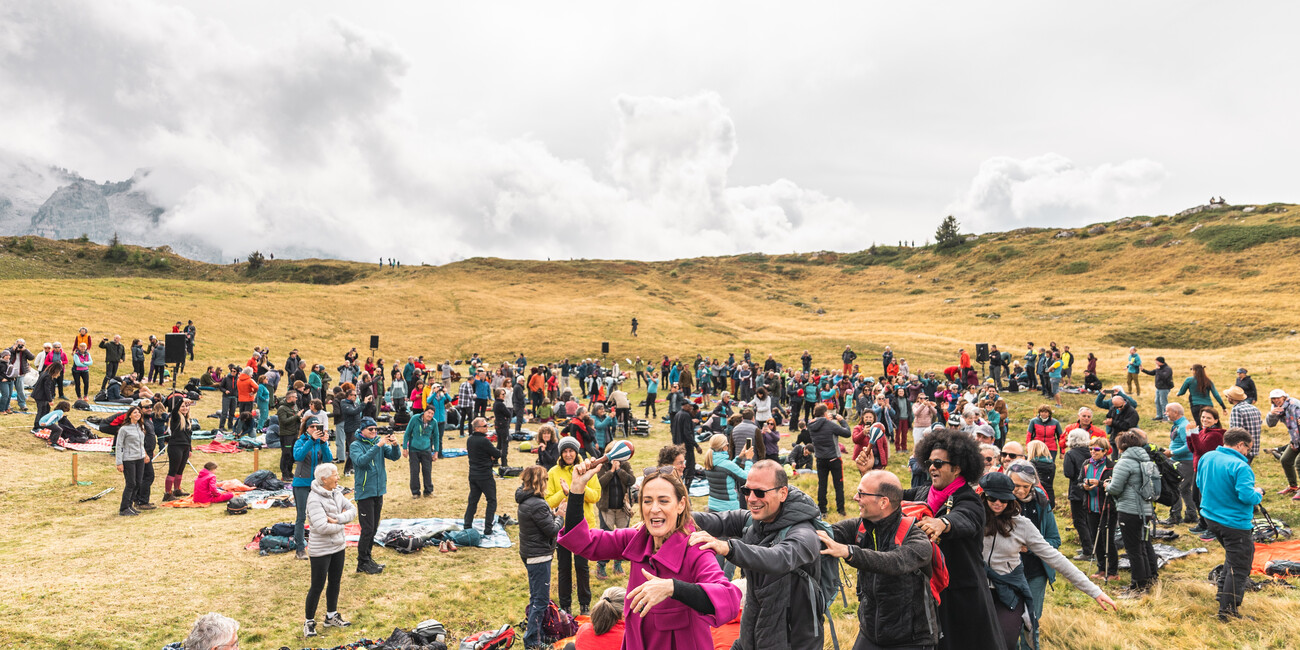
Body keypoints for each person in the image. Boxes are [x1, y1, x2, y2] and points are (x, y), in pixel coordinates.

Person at [558, 460, 742, 650]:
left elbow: (728, 600)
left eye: (663, 500)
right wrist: (577, 488)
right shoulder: (637, 540)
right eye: (647, 501)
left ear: (680, 505)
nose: (654, 508)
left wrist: (673, 588)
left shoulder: (695, 549)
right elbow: (581, 541)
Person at [690, 460, 825, 649]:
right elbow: (715, 520)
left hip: (791, 642)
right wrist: (672, 516)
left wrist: (729, 548)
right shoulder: (754, 521)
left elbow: (778, 558)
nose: (751, 498)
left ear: (783, 493)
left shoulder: (804, 534)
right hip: (751, 636)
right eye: (747, 491)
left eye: (760, 492)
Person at [979, 472, 1116, 648]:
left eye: (1003, 499)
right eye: (993, 498)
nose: (998, 503)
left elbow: (1056, 558)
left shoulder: (1022, 525)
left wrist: (1094, 591)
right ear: (984, 496)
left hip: (1009, 591)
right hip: (978, 588)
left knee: (1004, 640)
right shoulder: (975, 519)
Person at [893, 427, 1002, 650]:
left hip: (962, 596)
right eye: (930, 462)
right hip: (929, 591)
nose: (932, 467)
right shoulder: (923, 493)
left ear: (957, 468)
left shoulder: (969, 500)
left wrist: (942, 523)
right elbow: (890, 497)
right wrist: (869, 474)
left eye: (939, 463)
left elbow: (965, 519)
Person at [820, 469, 938, 649]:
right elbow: (825, 533)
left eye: (861, 493)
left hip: (911, 640)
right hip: (869, 633)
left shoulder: (917, 539)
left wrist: (849, 552)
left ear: (883, 502)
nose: (854, 497)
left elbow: (895, 562)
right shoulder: (861, 526)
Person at [1197, 427, 1263, 620]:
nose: (1248, 453)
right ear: (1240, 444)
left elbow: (1200, 484)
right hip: (1235, 523)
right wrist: (1258, 493)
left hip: (1211, 517)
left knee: (1233, 559)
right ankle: (1228, 612)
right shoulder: (1241, 467)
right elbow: (1246, 496)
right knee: (1240, 567)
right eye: (1248, 449)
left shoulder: (1207, 457)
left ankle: (1223, 595)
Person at [1004, 460, 1061, 650]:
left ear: (1033, 485)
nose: (1019, 491)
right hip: (1004, 573)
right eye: (1014, 486)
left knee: (1031, 623)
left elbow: (1054, 539)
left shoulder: (1041, 502)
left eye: (1024, 487)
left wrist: (1031, 547)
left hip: (1035, 573)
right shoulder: (998, 502)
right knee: (1007, 624)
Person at [1105, 430, 1161, 596]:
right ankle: (1150, 578)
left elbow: (1115, 488)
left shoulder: (1125, 462)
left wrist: (1106, 486)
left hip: (1129, 510)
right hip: (1145, 509)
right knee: (1143, 544)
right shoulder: (1144, 458)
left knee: (1133, 548)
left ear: (1121, 446)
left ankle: (1138, 585)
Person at [547, 436, 599, 614]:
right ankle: (565, 606)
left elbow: (595, 496)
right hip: (561, 526)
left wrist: (578, 488)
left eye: (571, 451)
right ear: (561, 453)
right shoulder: (553, 472)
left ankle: (585, 605)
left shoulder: (586, 470)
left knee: (582, 566)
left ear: (576, 452)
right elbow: (549, 501)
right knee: (564, 567)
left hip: (582, 526)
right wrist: (564, 493)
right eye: (565, 451)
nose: (568, 454)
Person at [304, 462, 356, 637]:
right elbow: (320, 527)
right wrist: (342, 525)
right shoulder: (314, 499)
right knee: (317, 586)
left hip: (338, 547)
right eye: (335, 475)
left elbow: (352, 510)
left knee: (335, 582)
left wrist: (338, 519)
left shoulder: (336, 492)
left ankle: (331, 616)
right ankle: (309, 622)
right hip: (321, 550)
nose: (338, 477)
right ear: (323, 479)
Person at [517, 464, 562, 649]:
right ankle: (532, 641)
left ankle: (538, 634)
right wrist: (560, 516)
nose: (546, 483)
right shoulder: (537, 504)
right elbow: (552, 530)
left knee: (536, 597)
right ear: (538, 482)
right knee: (541, 600)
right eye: (545, 480)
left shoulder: (526, 500)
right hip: (539, 556)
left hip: (531, 553)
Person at [350, 417, 400, 574]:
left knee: (374, 528)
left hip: (378, 491)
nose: (374, 432)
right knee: (367, 529)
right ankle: (362, 562)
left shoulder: (378, 442)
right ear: (362, 430)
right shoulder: (355, 445)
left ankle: (368, 558)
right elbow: (361, 461)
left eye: (375, 429)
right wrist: (378, 445)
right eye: (370, 429)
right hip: (365, 492)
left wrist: (395, 445)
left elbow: (394, 456)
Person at [1078, 437, 1119, 581]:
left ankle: (1113, 571)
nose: (1092, 452)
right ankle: (1101, 568)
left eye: (1096, 449)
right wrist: (1084, 486)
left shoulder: (1112, 466)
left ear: (1105, 451)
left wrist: (1100, 483)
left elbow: (1115, 486)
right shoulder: (1086, 464)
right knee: (1096, 538)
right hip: (1090, 507)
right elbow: (1079, 482)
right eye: (1090, 449)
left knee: (1108, 539)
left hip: (1107, 509)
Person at [293, 420, 333, 559]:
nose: (315, 429)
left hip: (318, 485)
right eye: (312, 427)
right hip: (301, 484)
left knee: (321, 515)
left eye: (317, 427)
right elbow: (298, 457)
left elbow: (329, 460)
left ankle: (322, 545)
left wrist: (323, 443)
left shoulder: (320, 442)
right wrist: (311, 440)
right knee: (302, 516)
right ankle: (299, 549)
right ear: (306, 428)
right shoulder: (301, 441)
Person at [596, 443, 635, 580]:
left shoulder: (625, 465)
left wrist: (619, 471)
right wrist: (611, 471)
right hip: (606, 507)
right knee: (606, 538)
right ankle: (601, 565)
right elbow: (599, 483)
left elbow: (631, 480)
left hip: (622, 508)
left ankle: (618, 564)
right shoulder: (602, 466)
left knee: (623, 538)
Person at [1187, 407, 1225, 538]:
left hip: (1209, 471)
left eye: (1208, 418)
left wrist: (1193, 433)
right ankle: (1203, 523)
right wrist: (1189, 435)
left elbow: (1201, 449)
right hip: (1198, 468)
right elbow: (1193, 449)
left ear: (1216, 420)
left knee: (1207, 500)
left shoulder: (1215, 435)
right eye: (1203, 417)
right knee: (1195, 497)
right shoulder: (1203, 431)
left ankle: (1213, 528)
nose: (1204, 420)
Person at [807, 403, 851, 516]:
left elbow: (821, 423)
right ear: (825, 413)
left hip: (820, 459)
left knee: (822, 485)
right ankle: (841, 509)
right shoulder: (830, 424)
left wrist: (827, 420)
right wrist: (842, 421)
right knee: (838, 485)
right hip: (834, 458)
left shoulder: (810, 424)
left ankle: (822, 510)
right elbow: (847, 433)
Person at [466, 416, 503, 541]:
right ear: (477, 428)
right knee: (491, 501)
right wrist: (491, 457)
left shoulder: (469, 440)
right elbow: (497, 453)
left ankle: (467, 526)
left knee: (473, 501)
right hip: (485, 476)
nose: (487, 427)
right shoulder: (484, 441)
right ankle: (488, 528)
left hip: (473, 475)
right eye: (485, 426)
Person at [1159, 403, 1196, 526]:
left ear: (1175, 413)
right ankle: (1191, 515)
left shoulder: (1183, 426)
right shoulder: (1179, 425)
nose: (1165, 413)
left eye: (1167, 411)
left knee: (1175, 487)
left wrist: (1172, 452)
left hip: (1185, 461)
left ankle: (1175, 516)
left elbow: (1189, 446)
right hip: (1181, 460)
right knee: (1184, 489)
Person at [699, 434, 753, 513]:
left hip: (712, 506)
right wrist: (748, 460)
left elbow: (727, 470)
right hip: (728, 509)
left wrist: (740, 457)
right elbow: (746, 478)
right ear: (724, 447)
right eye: (727, 445)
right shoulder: (727, 465)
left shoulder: (710, 461)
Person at [115, 405, 149, 516]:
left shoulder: (141, 427)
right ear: (129, 415)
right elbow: (119, 445)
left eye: (139, 412)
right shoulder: (124, 429)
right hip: (128, 459)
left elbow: (141, 443)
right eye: (135, 412)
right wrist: (119, 462)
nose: (137, 414)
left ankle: (130, 506)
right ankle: (124, 508)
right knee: (131, 483)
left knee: (138, 482)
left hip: (139, 458)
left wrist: (144, 454)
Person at [1266, 389, 1300, 499]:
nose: (1276, 400)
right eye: (1274, 399)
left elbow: (1296, 426)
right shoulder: (1277, 408)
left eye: (1278, 398)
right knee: (1285, 460)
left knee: (1298, 463)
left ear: (1284, 397)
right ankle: (1293, 486)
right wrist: (1271, 414)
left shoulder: (1295, 405)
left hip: (1297, 437)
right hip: (1296, 438)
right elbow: (1271, 424)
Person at [162, 400, 194, 501]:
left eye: (186, 406)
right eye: (182, 407)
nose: (184, 408)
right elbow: (174, 410)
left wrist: (190, 449)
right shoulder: (175, 417)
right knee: (173, 470)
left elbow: (189, 436)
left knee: (180, 469)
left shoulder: (187, 420)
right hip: (175, 446)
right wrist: (182, 400)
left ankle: (177, 489)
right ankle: (168, 493)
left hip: (185, 447)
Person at [403, 408, 437, 498]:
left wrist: (436, 452)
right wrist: (404, 448)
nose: (430, 415)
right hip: (414, 449)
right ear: (424, 412)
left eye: (432, 414)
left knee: (427, 471)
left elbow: (436, 437)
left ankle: (428, 491)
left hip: (426, 449)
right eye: (428, 412)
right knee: (414, 471)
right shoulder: (415, 418)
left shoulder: (434, 422)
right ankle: (415, 492)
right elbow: (407, 433)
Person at [1224, 385, 1261, 462]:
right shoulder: (1254, 408)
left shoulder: (1237, 409)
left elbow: (1236, 432)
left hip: (1241, 449)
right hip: (1254, 447)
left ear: (1230, 398)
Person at [672, 401, 703, 486]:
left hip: (678, 445)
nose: (691, 409)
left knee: (679, 467)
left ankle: (680, 486)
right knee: (689, 469)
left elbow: (674, 430)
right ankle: (686, 488)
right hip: (686, 446)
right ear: (685, 406)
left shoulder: (678, 414)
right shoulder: (686, 416)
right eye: (690, 407)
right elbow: (687, 433)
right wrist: (696, 445)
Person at [1140, 356, 1174, 422]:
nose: (1155, 362)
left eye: (1157, 361)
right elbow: (1152, 373)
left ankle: (1166, 417)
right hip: (1158, 388)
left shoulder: (1167, 369)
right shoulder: (1159, 369)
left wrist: (1158, 370)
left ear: (1160, 362)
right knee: (1157, 401)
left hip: (1164, 388)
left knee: (1163, 402)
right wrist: (1143, 370)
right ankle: (1159, 416)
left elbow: (1164, 377)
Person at [276, 392, 301, 481]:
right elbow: (284, 421)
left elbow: (296, 417)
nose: (296, 399)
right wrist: (296, 417)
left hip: (294, 433)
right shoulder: (282, 409)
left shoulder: (294, 406)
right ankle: (284, 473)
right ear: (290, 398)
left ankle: (290, 472)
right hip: (286, 435)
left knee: (292, 455)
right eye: (295, 397)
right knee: (286, 454)